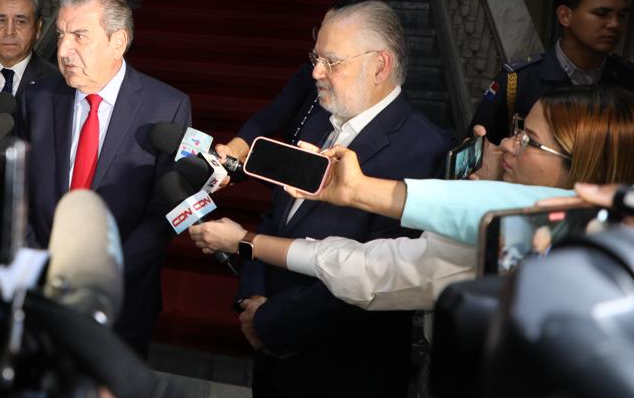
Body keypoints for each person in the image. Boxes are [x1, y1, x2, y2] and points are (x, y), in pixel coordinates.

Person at [192, 85, 634, 312]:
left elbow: (373, 271)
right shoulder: (498, 204)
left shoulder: (546, 239)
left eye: (529, 142)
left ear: (589, 174)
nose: (510, 145)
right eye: (518, 129)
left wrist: (359, 192)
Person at [235, 0, 451, 398]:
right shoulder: (318, 115)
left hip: (343, 383)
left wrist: (269, 323)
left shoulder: (425, 151)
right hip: (273, 366)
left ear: (380, 66)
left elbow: (377, 279)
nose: (316, 73)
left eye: (331, 62)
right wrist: (254, 296)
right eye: (316, 58)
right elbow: (277, 215)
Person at [16, 0, 191, 357]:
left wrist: (102, 279)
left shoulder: (167, 107)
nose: (63, 51)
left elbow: (164, 215)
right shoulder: (38, 99)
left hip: (122, 301)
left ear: (118, 41)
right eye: (61, 35)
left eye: (80, 36)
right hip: (41, 292)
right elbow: (20, 195)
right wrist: (42, 270)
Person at [470, 0, 634, 144]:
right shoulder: (519, 81)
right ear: (565, 16)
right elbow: (474, 152)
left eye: (621, 15)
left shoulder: (628, 80)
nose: (615, 24)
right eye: (602, 14)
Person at [214, 0, 366, 164]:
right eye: (321, 31)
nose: (317, 72)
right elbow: (272, 116)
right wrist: (233, 151)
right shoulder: (310, 73)